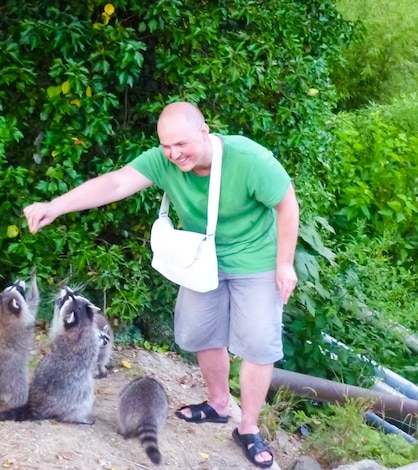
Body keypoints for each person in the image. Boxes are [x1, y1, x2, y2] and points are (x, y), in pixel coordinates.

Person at [23, 101, 299, 468]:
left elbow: (287, 204)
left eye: (181, 144)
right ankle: (218, 404)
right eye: (167, 146)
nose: (174, 154)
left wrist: (284, 264)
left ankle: (247, 428)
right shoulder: (163, 159)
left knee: (258, 345)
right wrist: (55, 206)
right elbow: (117, 181)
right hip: (203, 260)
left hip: (257, 261)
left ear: (205, 131)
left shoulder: (249, 160)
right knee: (202, 333)